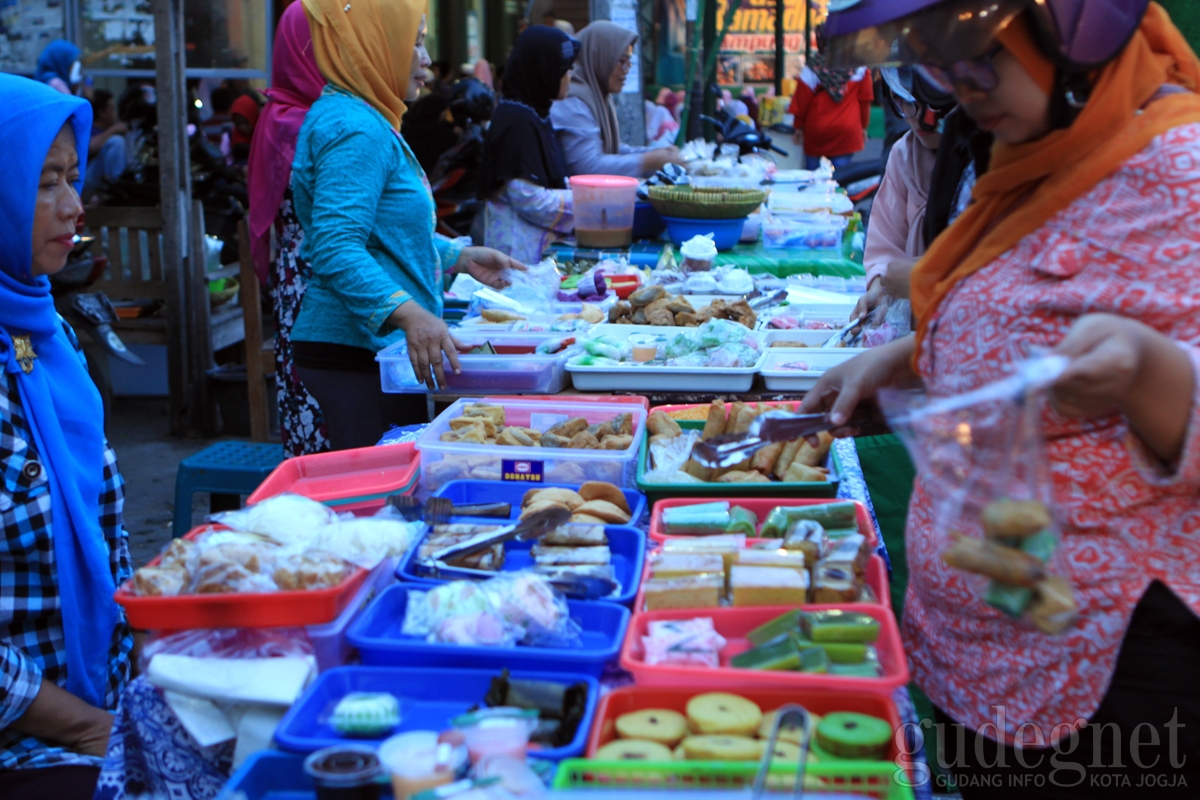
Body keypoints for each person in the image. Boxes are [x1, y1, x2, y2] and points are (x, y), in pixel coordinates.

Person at [810, 1, 1200, 795]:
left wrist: (1150, 371)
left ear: (1074, 37)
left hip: (1107, 682)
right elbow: (1019, 322)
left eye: (982, 58)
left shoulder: (1180, 170)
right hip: (988, 660)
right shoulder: (1034, 155)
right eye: (938, 62)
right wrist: (911, 361)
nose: (960, 85)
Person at [292, 0, 523, 450]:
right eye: (413, 42)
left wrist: (459, 256)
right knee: (379, 494)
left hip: (374, 350)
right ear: (374, 46)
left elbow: (384, 235)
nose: (425, 59)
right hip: (356, 352)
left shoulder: (363, 116)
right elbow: (336, 246)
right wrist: (409, 313)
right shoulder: (356, 128)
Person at [0, 74, 134, 800]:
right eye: (45, 181)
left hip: (100, 702)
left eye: (73, 179)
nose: (74, 206)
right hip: (29, 743)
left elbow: (102, 541)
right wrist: (82, 728)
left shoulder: (42, 337)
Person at [246, 0, 330, 457]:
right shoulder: (301, 122)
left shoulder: (286, 113)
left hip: (303, 278)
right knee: (319, 414)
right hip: (316, 282)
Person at [852, 67, 954, 319]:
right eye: (905, 104)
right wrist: (878, 287)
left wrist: (923, 278)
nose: (917, 119)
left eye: (927, 106)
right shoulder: (903, 154)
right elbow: (886, 240)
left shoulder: (977, 158)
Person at [479, 26, 579, 264]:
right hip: (517, 263)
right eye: (564, 69)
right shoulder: (518, 122)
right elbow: (528, 198)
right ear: (543, 71)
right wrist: (589, 201)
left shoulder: (533, 113)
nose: (569, 76)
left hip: (531, 257)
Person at [550, 21, 682, 177]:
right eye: (621, 62)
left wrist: (660, 154)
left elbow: (611, 148)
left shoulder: (596, 95)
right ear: (599, 57)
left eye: (629, 63)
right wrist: (649, 160)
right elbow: (588, 166)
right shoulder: (572, 100)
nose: (626, 70)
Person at [788, 27, 873, 170]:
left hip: (816, 131)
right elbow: (865, 100)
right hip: (847, 130)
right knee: (840, 179)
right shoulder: (860, 67)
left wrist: (797, 127)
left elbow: (801, 101)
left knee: (813, 181)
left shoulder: (813, 67)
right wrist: (863, 126)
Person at [83, 89, 129, 201]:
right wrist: (113, 130)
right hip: (85, 183)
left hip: (98, 182)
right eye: (112, 109)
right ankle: (115, 190)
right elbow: (89, 148)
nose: (115, 113)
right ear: (102, 113)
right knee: (116, 142)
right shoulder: (87, 129)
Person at [228, 94, 260, 163]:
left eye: (246, 122)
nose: (242, 127)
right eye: (238, 123)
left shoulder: (262, 137)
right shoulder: (230, 136)